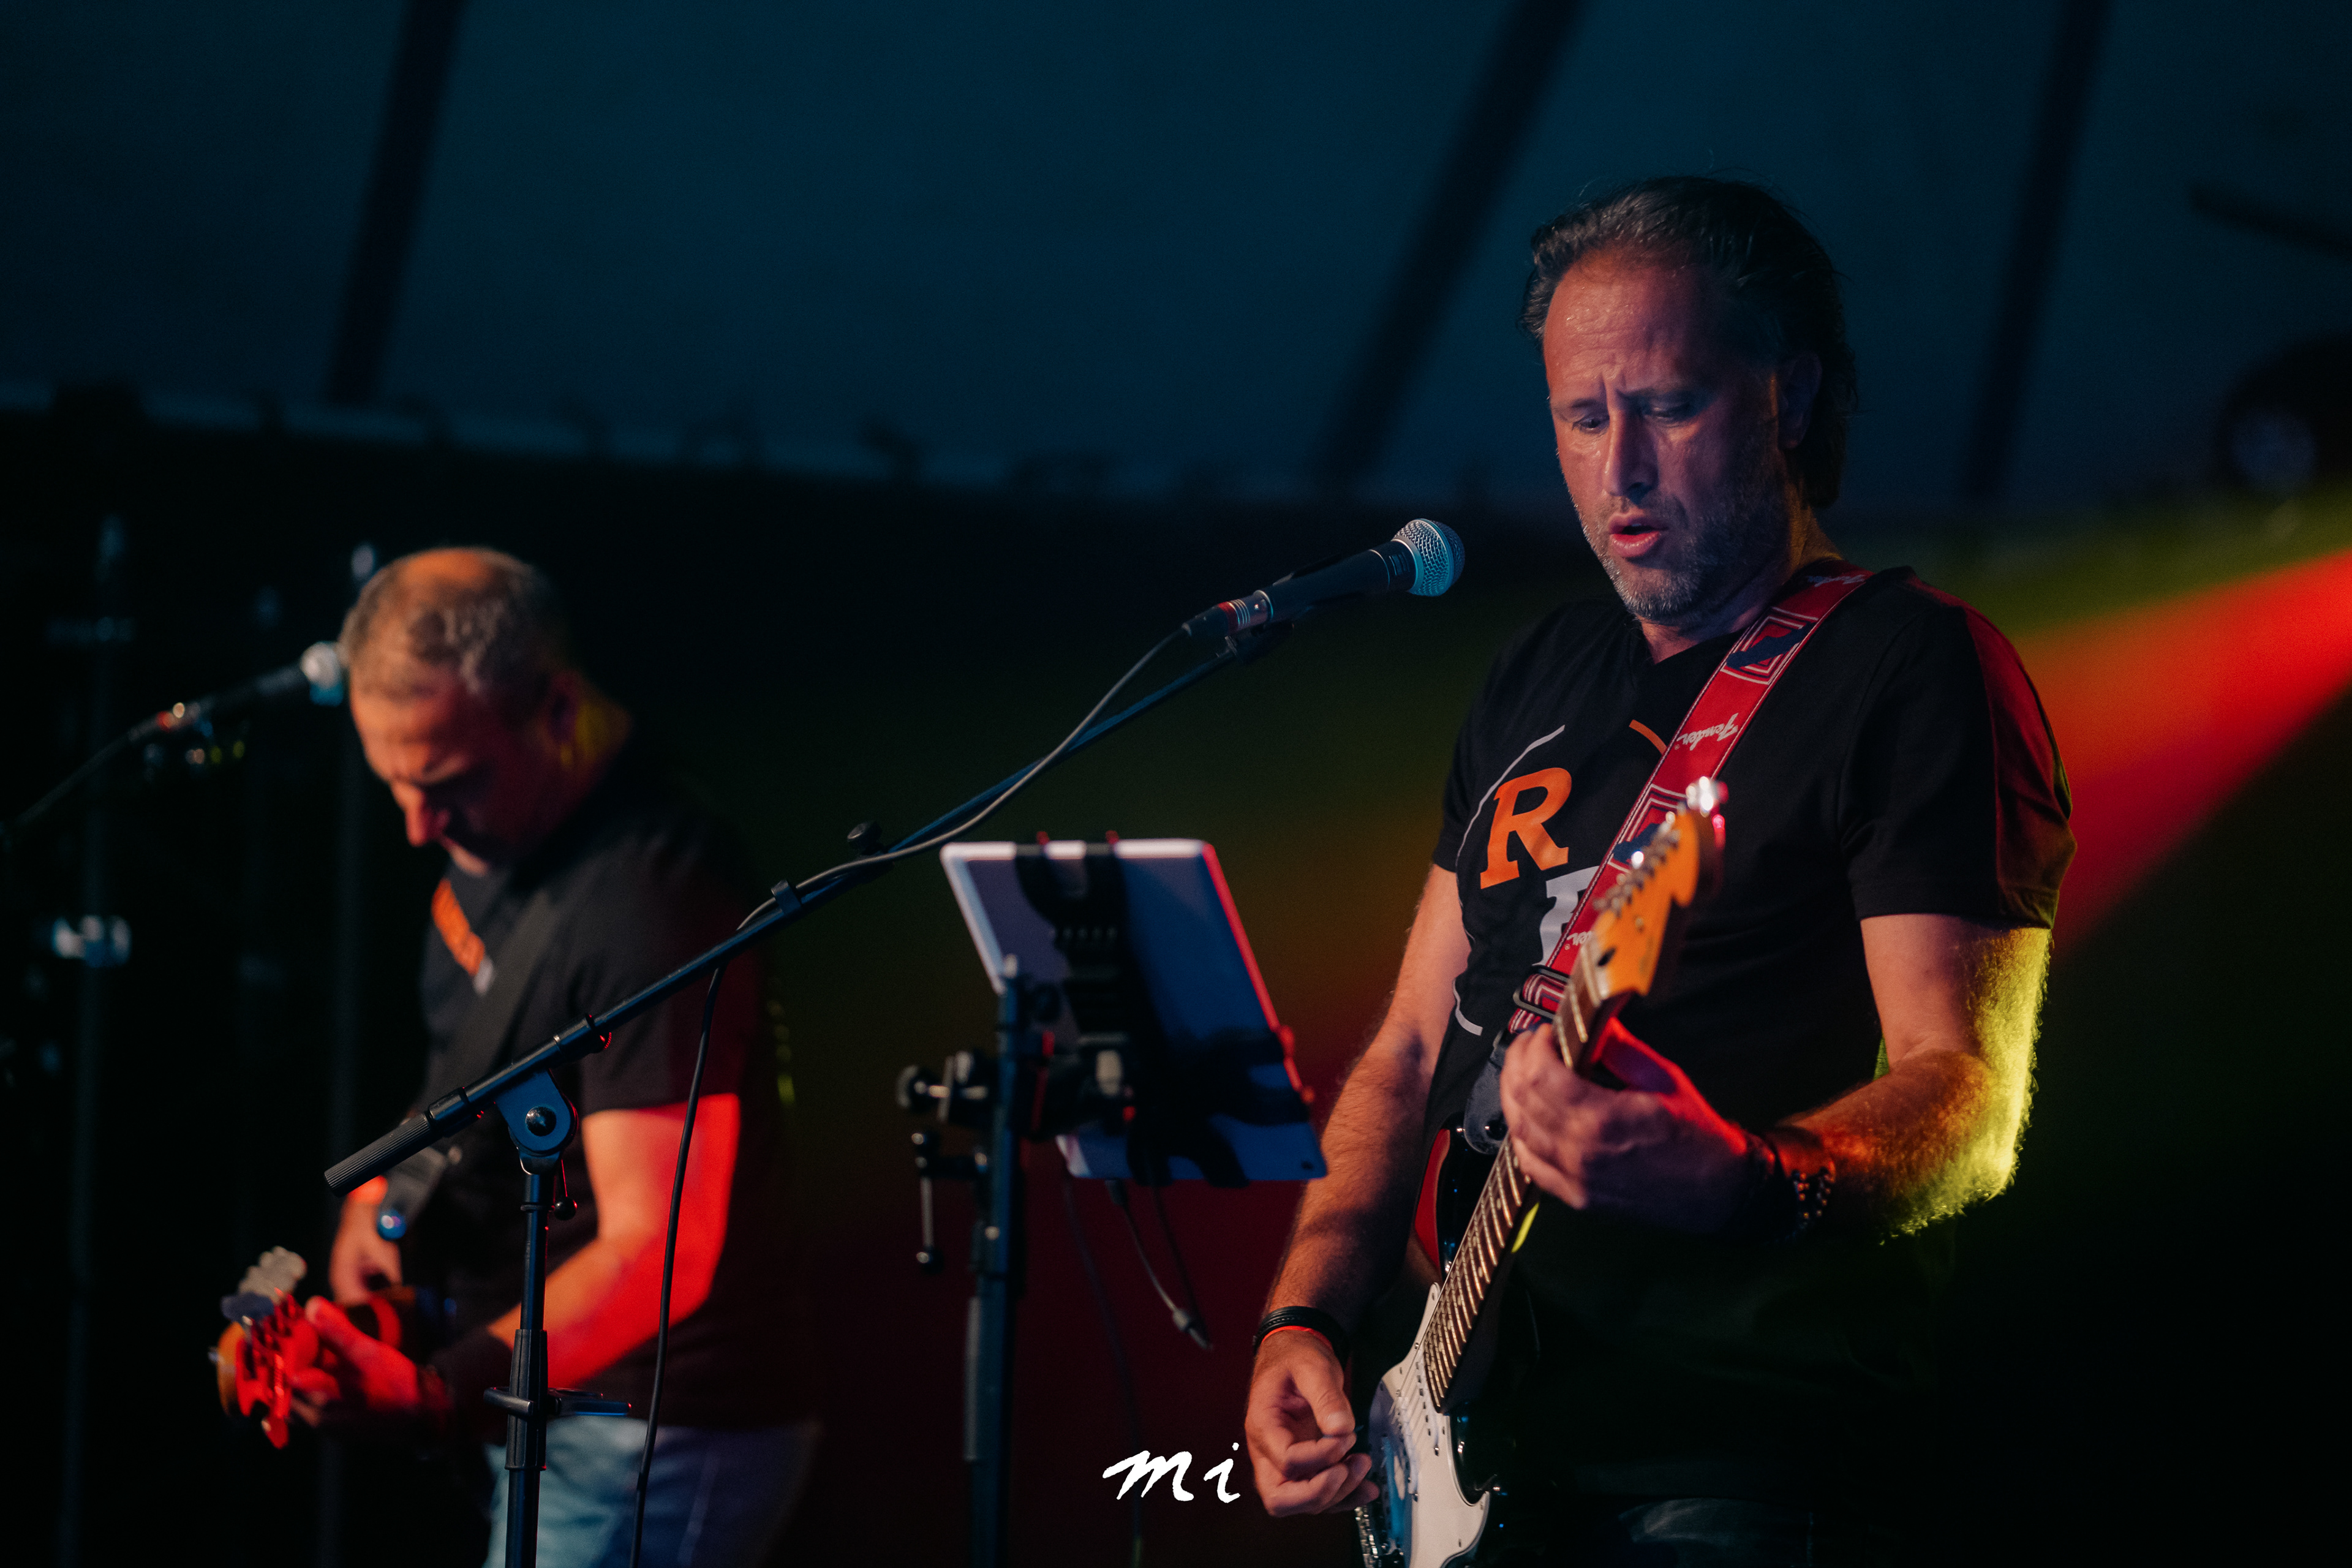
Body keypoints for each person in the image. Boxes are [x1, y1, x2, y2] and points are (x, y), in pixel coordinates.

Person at [1242, 177, 2073, 1561]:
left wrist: (1747, 1177)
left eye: (1669, 407)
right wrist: (1306, 1315)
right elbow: (1405, 1051)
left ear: (1789, 398)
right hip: (1480, 1440)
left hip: (1731, 1458)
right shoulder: (1538, 672)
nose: (1619, 467)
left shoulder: (1909, 665)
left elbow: (1969, 1099)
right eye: (1582, 417)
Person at [294, 548, 817, 1567]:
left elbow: (658, 1249)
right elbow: (479, 1051)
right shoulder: (501, 824)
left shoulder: (651, 897)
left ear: (559, 707)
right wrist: (383, 1203)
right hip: (545, 1399)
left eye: (447, 782)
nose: (418, 826)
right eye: (394, 782)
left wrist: (442, 1390)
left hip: (651, 1431)